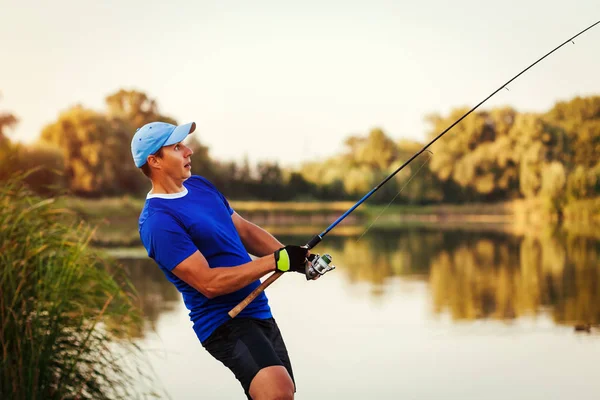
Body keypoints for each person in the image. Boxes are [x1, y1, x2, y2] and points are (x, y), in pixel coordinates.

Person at [130, 121, 313, 400]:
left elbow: (245, 230)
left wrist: (299, 259)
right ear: (154, 160)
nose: (189, 151)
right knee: (277, 392)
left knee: (282, 393)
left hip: (258, 310)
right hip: (223, 322)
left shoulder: (201, 186)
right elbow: (209, 283)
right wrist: (276, 261)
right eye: (177, 147)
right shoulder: (158, 221)